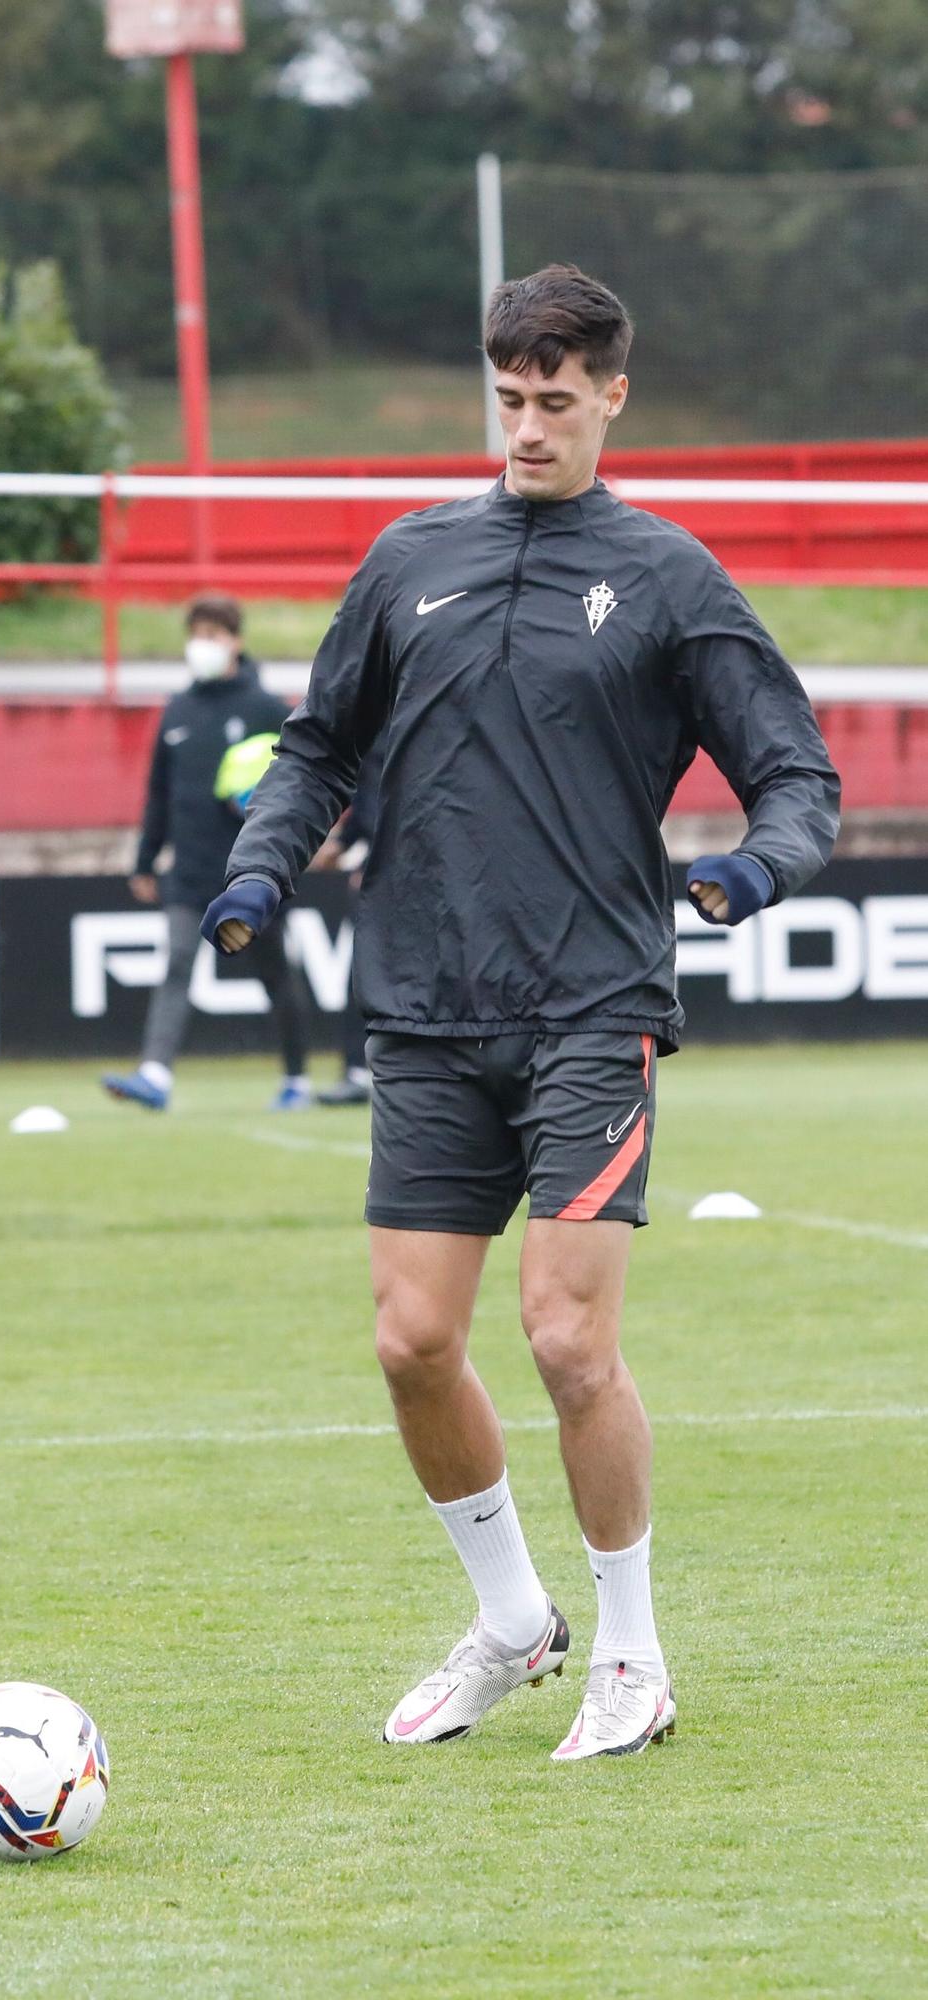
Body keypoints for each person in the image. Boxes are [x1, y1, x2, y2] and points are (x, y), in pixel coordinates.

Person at [201, 266, 839, 1759]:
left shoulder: (670, 578)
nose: (527, 426)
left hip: (587, 1004)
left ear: (613, 394)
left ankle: (630, 1653)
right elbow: (313, 751)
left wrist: (752, 868)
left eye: (555, 401)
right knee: (411, 1344)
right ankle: (509, 1621)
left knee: (563, 1341)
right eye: (507, 399)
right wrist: (255, 873)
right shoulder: (406, 557)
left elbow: (796, 776)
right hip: (423, 1011)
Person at [103, 594, 312, 1113]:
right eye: (197, 635)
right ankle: (154, 1074)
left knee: (274, 976)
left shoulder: (267, 708)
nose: (203, 646)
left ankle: (296, 1077)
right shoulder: (178, 710)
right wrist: (146, 860)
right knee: (176, 963)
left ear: (236, 641)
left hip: (251, 874)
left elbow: (302, 781)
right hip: (190, 870)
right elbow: (159, 793)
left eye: (214, 635)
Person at [310, 730, 386, 1107]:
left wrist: (376, 855)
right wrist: (343, 842)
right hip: (388, 861)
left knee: (364, 972)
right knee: (360, 973)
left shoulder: (395, 716)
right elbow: (372, 800)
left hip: (405, 866)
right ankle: (357, 1070)